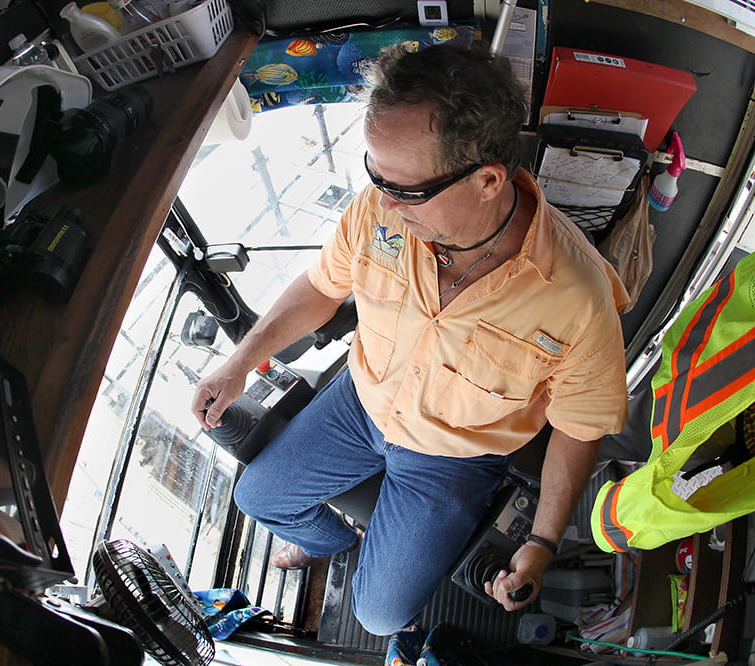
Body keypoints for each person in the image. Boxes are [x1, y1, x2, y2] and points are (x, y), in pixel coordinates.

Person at [191, 42, 630, 636]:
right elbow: (323, 287)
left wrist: (544, 540)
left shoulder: (576, 297)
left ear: (487, 181)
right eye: (377, 176)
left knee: (377, 617)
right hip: (360, 401)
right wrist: (240, 362)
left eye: (407, 189)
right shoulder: (380, 208)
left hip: (452, 455)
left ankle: (384, 561)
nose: (386, 203)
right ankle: (347, 546)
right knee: (258, 500)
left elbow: (580, 427)